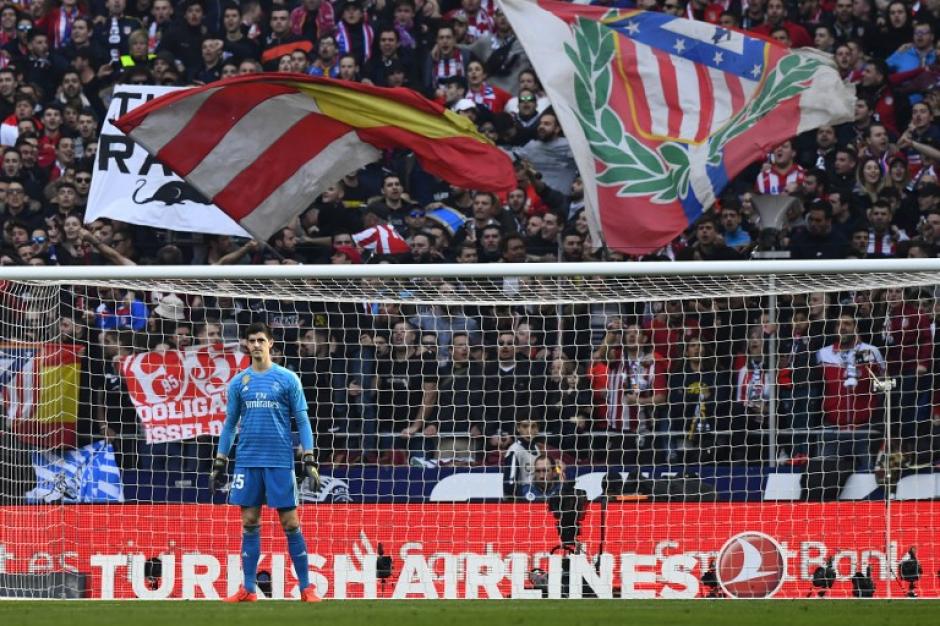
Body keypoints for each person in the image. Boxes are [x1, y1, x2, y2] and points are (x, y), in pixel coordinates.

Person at [210, 322, 322, 603]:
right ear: (246, 346)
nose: (256, 344)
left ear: (271, 343)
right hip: (247, 461)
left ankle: (307, 588)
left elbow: (303, 420)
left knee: (290, 521)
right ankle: (248, 589)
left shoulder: (287, 379)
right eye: (252, 340)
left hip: (279, 461)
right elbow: (229, 424)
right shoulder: (239, 383)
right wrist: (220, 460)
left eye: (261, 339)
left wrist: (309, 457)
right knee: (249, 520)